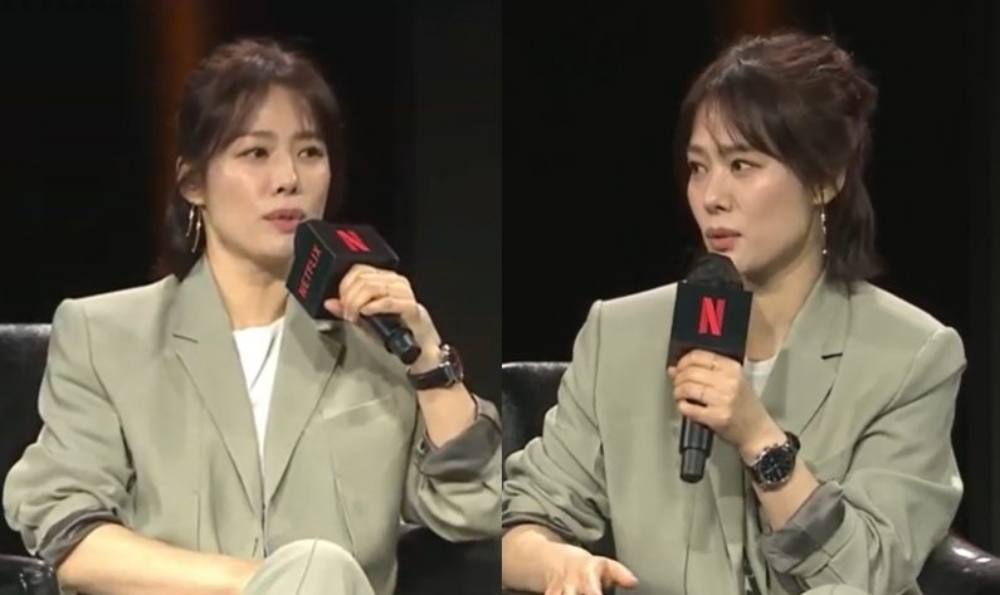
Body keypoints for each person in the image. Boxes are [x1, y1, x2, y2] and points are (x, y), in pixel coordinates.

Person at [3, 37, 500, 595]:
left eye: (309, 152)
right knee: (318, 567)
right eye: (256, 153)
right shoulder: (106, 336)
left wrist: (428, 364)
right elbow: (69, 537)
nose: (288, 178)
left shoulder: (375, 345)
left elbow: (474, 511)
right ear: (193, 182)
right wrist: (271, 583)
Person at [501, 31, 965, 595]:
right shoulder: (619, 334)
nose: (711, 197)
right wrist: (557, 563)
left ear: (825, 179)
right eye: (699, 167)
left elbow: (869, 573)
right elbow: (519, 522)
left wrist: (761, 441)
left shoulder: (910, 355)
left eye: (742, 165)